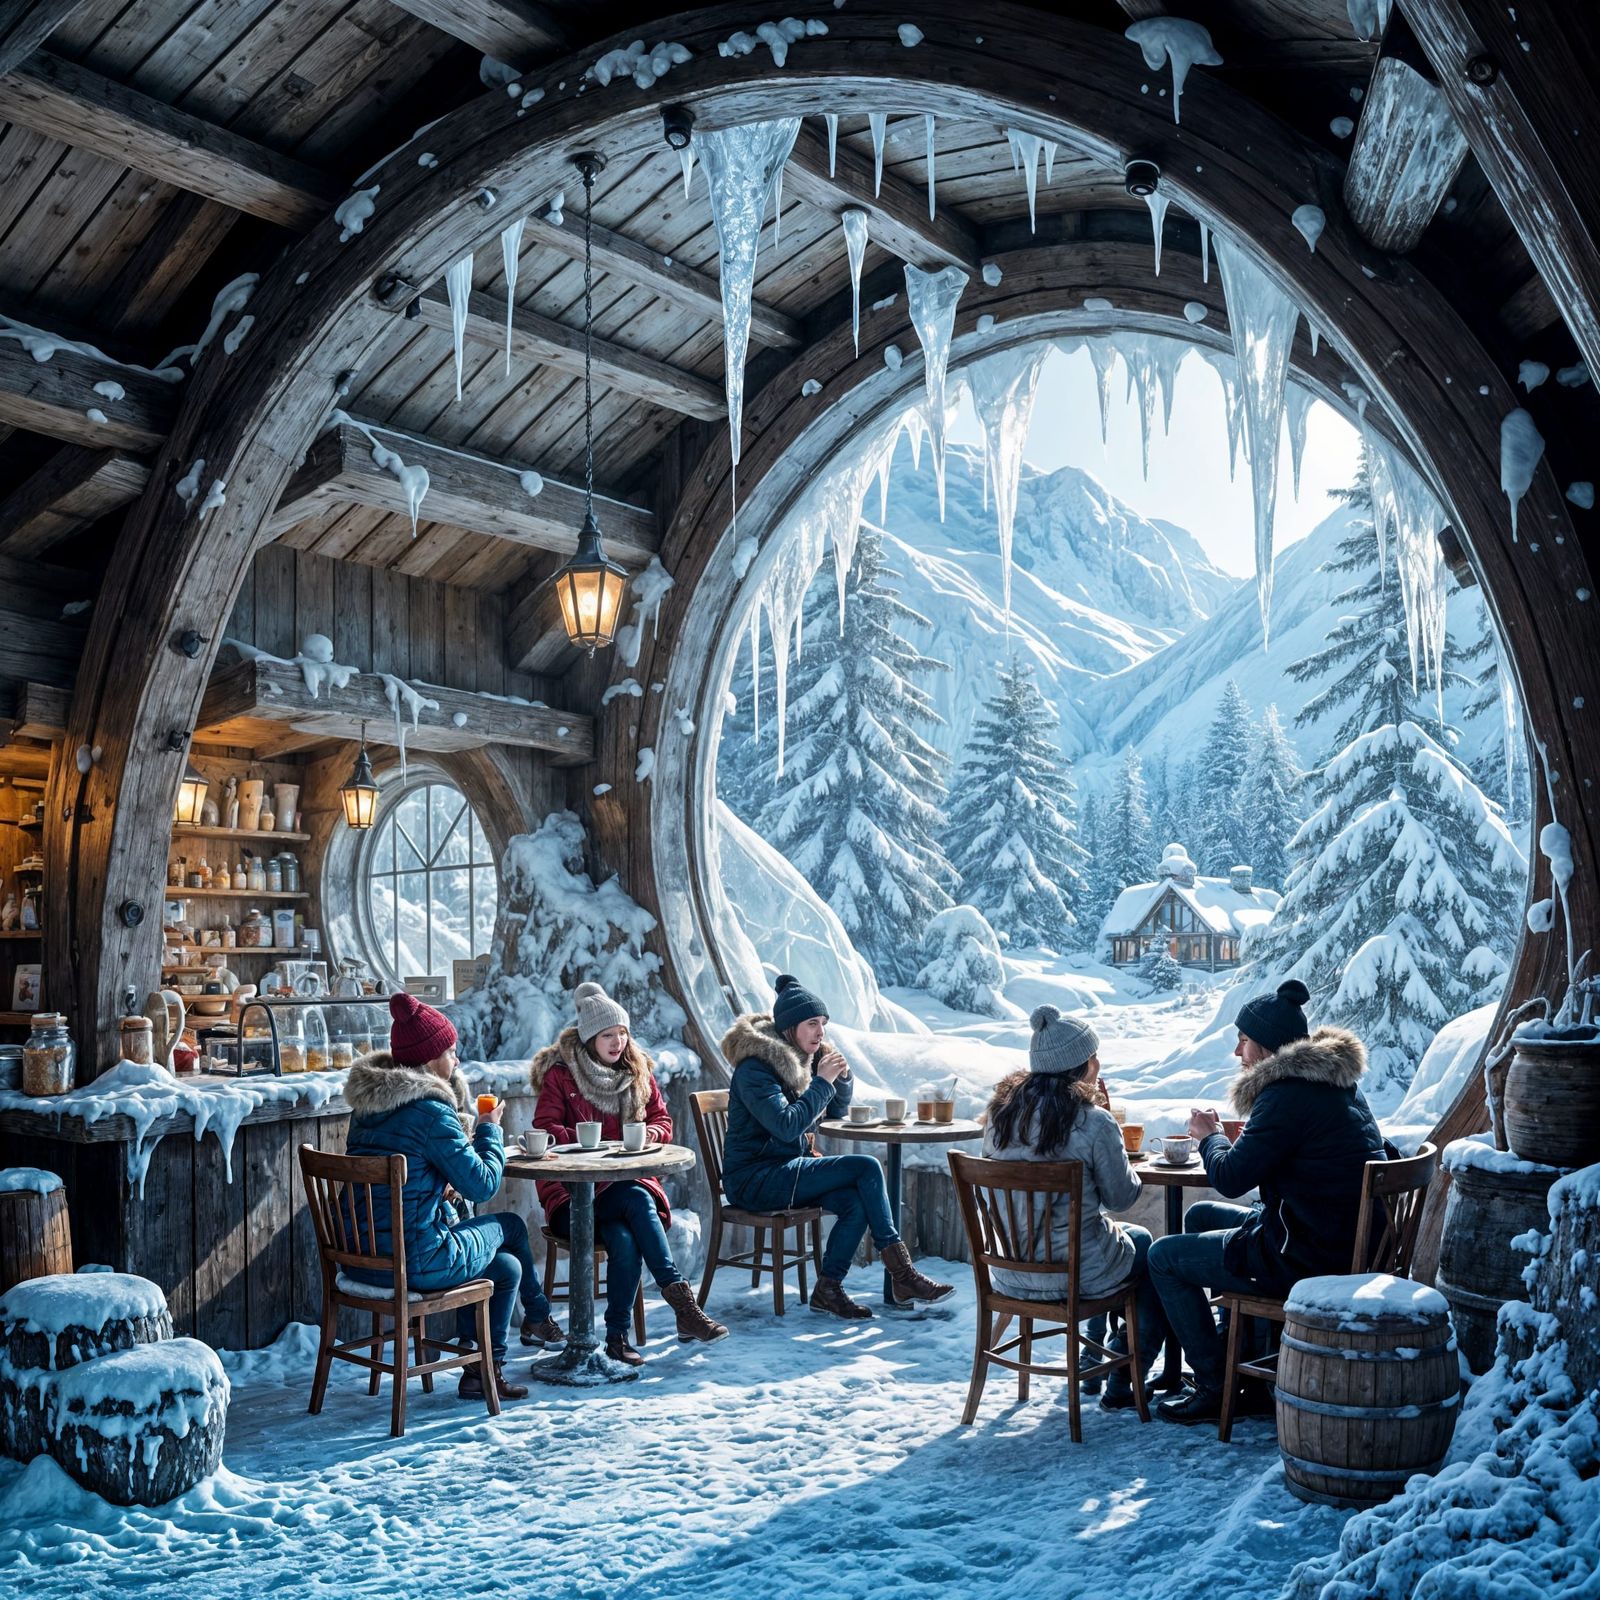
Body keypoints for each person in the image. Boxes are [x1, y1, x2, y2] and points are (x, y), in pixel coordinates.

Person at [1147, 978, 1387, 1424]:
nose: (1238, 1054)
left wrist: (1210, 1137)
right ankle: (1250, 1372)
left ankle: (1215, 1386)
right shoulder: (1336, 1084)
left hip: (1305, 1256)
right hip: (1337, 1238)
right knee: (1199, 1214)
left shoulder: (1284, 1096)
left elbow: (1230, 1178)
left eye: (1243, 1041)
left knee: (1162, 1257)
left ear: (1267, 1047)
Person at [344, 992, 562, 1403]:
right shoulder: (431, 1111)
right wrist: (488, 1129)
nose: (457, 1061)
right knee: (512, 1226)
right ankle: (534, 1322)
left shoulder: (369, 1109)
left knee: (506, 1267)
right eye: (450, 1051)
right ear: (429, 1063)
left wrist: (434, 1181)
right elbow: (482, 1185)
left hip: (362, 1257)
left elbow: (400, 1172)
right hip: (415, 1261)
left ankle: (485, 1369)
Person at [720, 974, 954, 1320]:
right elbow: (787, 1127)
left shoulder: (797, 1060)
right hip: (755, 1180)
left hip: (785, 1171)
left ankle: (829, 1288)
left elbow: (838, 1112)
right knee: (866, 1167)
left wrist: (842, 1079)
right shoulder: (756, 1070)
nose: (820, 1032)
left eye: (823, 1024)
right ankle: (903, 1275)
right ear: (789, 1028)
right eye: (812, 1024)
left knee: (855, 1201)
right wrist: (822, 1082)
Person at [980, 1006, 1168, 1410]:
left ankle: (1092, 1356)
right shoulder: (1094, 1122)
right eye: (1094, 1057)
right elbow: (1121, 1199)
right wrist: (1115, 1146)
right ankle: (1122, 1378)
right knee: (1149, 1253)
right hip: (1074, 1273)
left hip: (1011, 1271)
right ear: (1083, 1065)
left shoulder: (998, 1117)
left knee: (1109, 1240)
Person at [532, 980, 727, 1365]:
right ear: (590, 1038)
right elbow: (545, 1129)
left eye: (622, 1032)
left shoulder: (636, 1071)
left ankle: (616, 1338)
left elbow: (661, 1120)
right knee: (638, 1201)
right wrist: (594, 1140)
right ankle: (682, 1306)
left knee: (625, 1237)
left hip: (623, 1190)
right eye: (608, 1034)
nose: (618, 1042)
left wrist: (652, 1132)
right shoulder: (562, 1076)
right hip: (572, 1198)